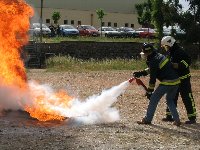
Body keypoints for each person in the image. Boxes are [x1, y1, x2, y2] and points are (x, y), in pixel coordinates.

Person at [133, 43, 181, 126]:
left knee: (153, 99)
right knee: (170, 100)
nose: (143, 55)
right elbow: (153, 68)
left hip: (167, 82)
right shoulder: (158, 56)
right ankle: (177, 120)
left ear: (148, 52)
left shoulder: (153, 60)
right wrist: (142, 73)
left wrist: (150, 91)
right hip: (176, 81)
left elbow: (152, 78)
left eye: (144, 53)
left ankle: (147, 119)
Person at [161, 36, 197, 124]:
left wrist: (176, 65)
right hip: (174, 79)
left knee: (187, 97)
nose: (166, 48)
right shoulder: (171, 52)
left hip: (184, 79)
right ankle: (169, 116)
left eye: (166, 46)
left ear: (170, 44)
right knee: (171, 97)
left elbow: (187, 62)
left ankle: (192, 118)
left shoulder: (180, 52)